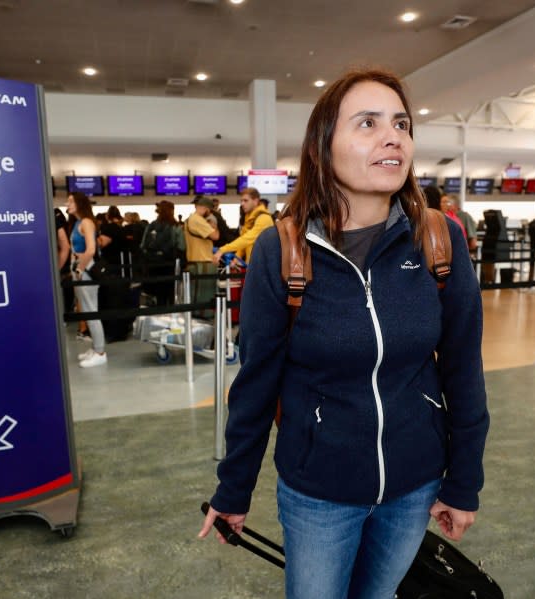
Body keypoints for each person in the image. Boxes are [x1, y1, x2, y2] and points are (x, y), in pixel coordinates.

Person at [199, 69, 489, 598]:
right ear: (322, 148)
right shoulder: (282, 250)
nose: (392, 136)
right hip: (319, 491)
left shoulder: (439, 240)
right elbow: (257, 382)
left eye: (401, 123)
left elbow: (463, 368)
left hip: (414, 483)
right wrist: (234, 488)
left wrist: (463, 480)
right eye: (368, 123)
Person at [67, 192, 107, 368]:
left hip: (86, 270)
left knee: (92, 311)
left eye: (70, 201)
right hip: (79, 270)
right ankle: (95, 348)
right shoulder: (77, 223)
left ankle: (100, 352)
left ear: (79, 203)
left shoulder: (87, 222)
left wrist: (79, 268)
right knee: (87, 311)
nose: (67, 204)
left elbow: (90, 250)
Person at [212, 187, 274, 265]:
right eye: (241, 201)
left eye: (246, 201)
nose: (242, 204)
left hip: (265, 266)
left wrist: (223, 250)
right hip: (253, 265)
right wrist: (237, 257)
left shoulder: (264, 218)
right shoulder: (249, 218)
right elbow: (245, 243)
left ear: (255, 201)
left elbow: (248, 239)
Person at [141, 200, 184, 306]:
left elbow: (142, 245)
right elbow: (182, 246)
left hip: (153, 265)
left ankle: (158, 315)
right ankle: (170, 316)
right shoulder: (175, 226)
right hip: (169, 265)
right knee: (170, 293)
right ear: (172, 211)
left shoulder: (151, 226)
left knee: (157, 293)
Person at [184, 196, 220, 314]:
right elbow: (215, 236)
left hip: (197, 261)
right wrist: (214, 225)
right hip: (202, 263)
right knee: (204, 299)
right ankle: (203, 321)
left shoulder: (191, 219)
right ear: (205, 208)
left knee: (197, 297)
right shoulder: (197, 219)